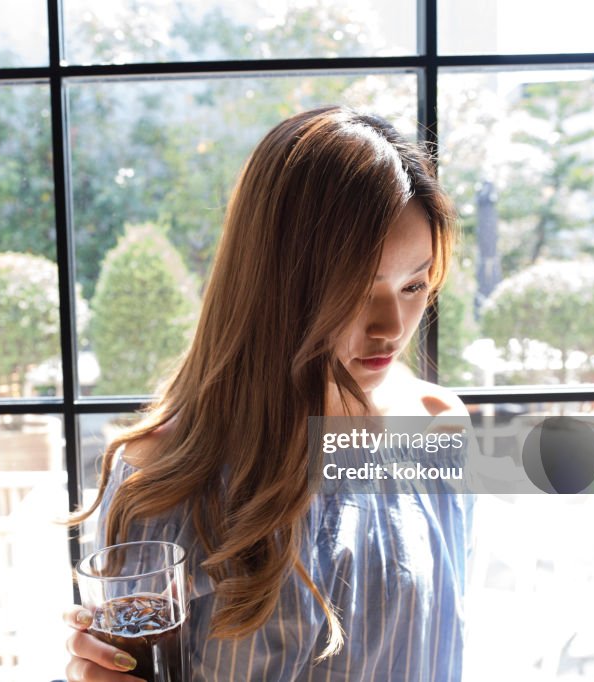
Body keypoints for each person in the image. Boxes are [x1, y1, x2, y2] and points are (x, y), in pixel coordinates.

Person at [63, 105, 473, 681]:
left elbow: (443, 648)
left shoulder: (437, 427)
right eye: (357, 289)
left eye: (413, 285)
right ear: (276, 285)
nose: (391, 327)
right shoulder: (167, 482)